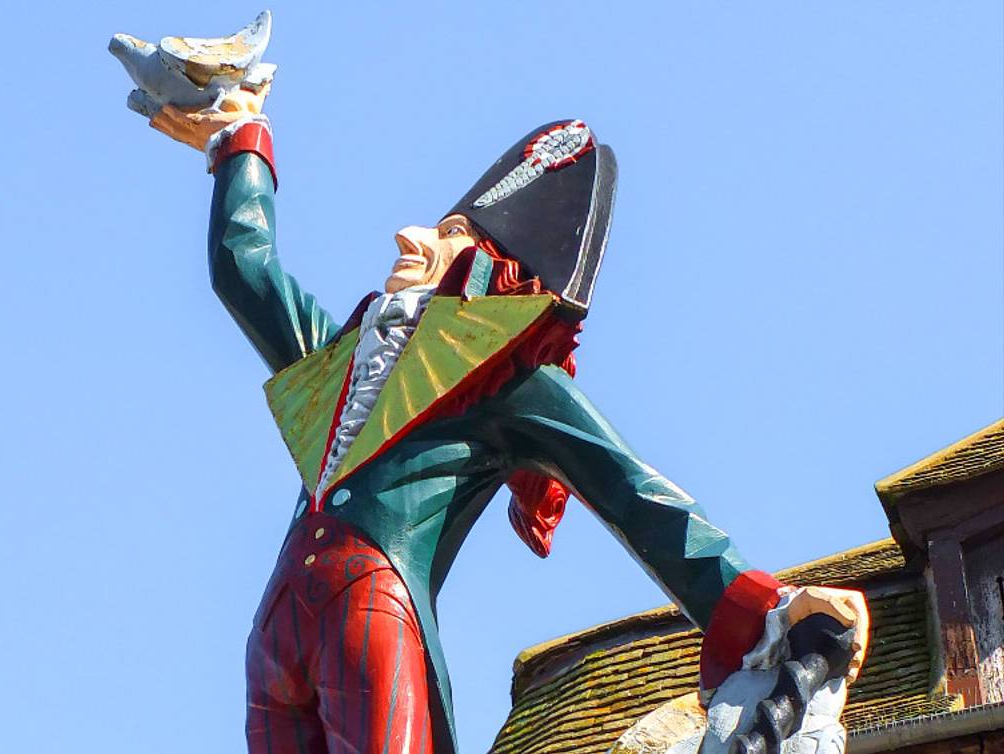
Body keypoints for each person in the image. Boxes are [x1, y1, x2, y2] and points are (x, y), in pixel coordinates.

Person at [143, 88, 870, 754]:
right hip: (273, 633)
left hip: (370, 604)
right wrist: (241, 136)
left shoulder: (505, 380)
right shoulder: (335, 362)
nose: (408, 235)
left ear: (489, 264)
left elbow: (634, 495)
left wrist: (768, 603)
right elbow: (246, 270)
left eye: (449, 230)